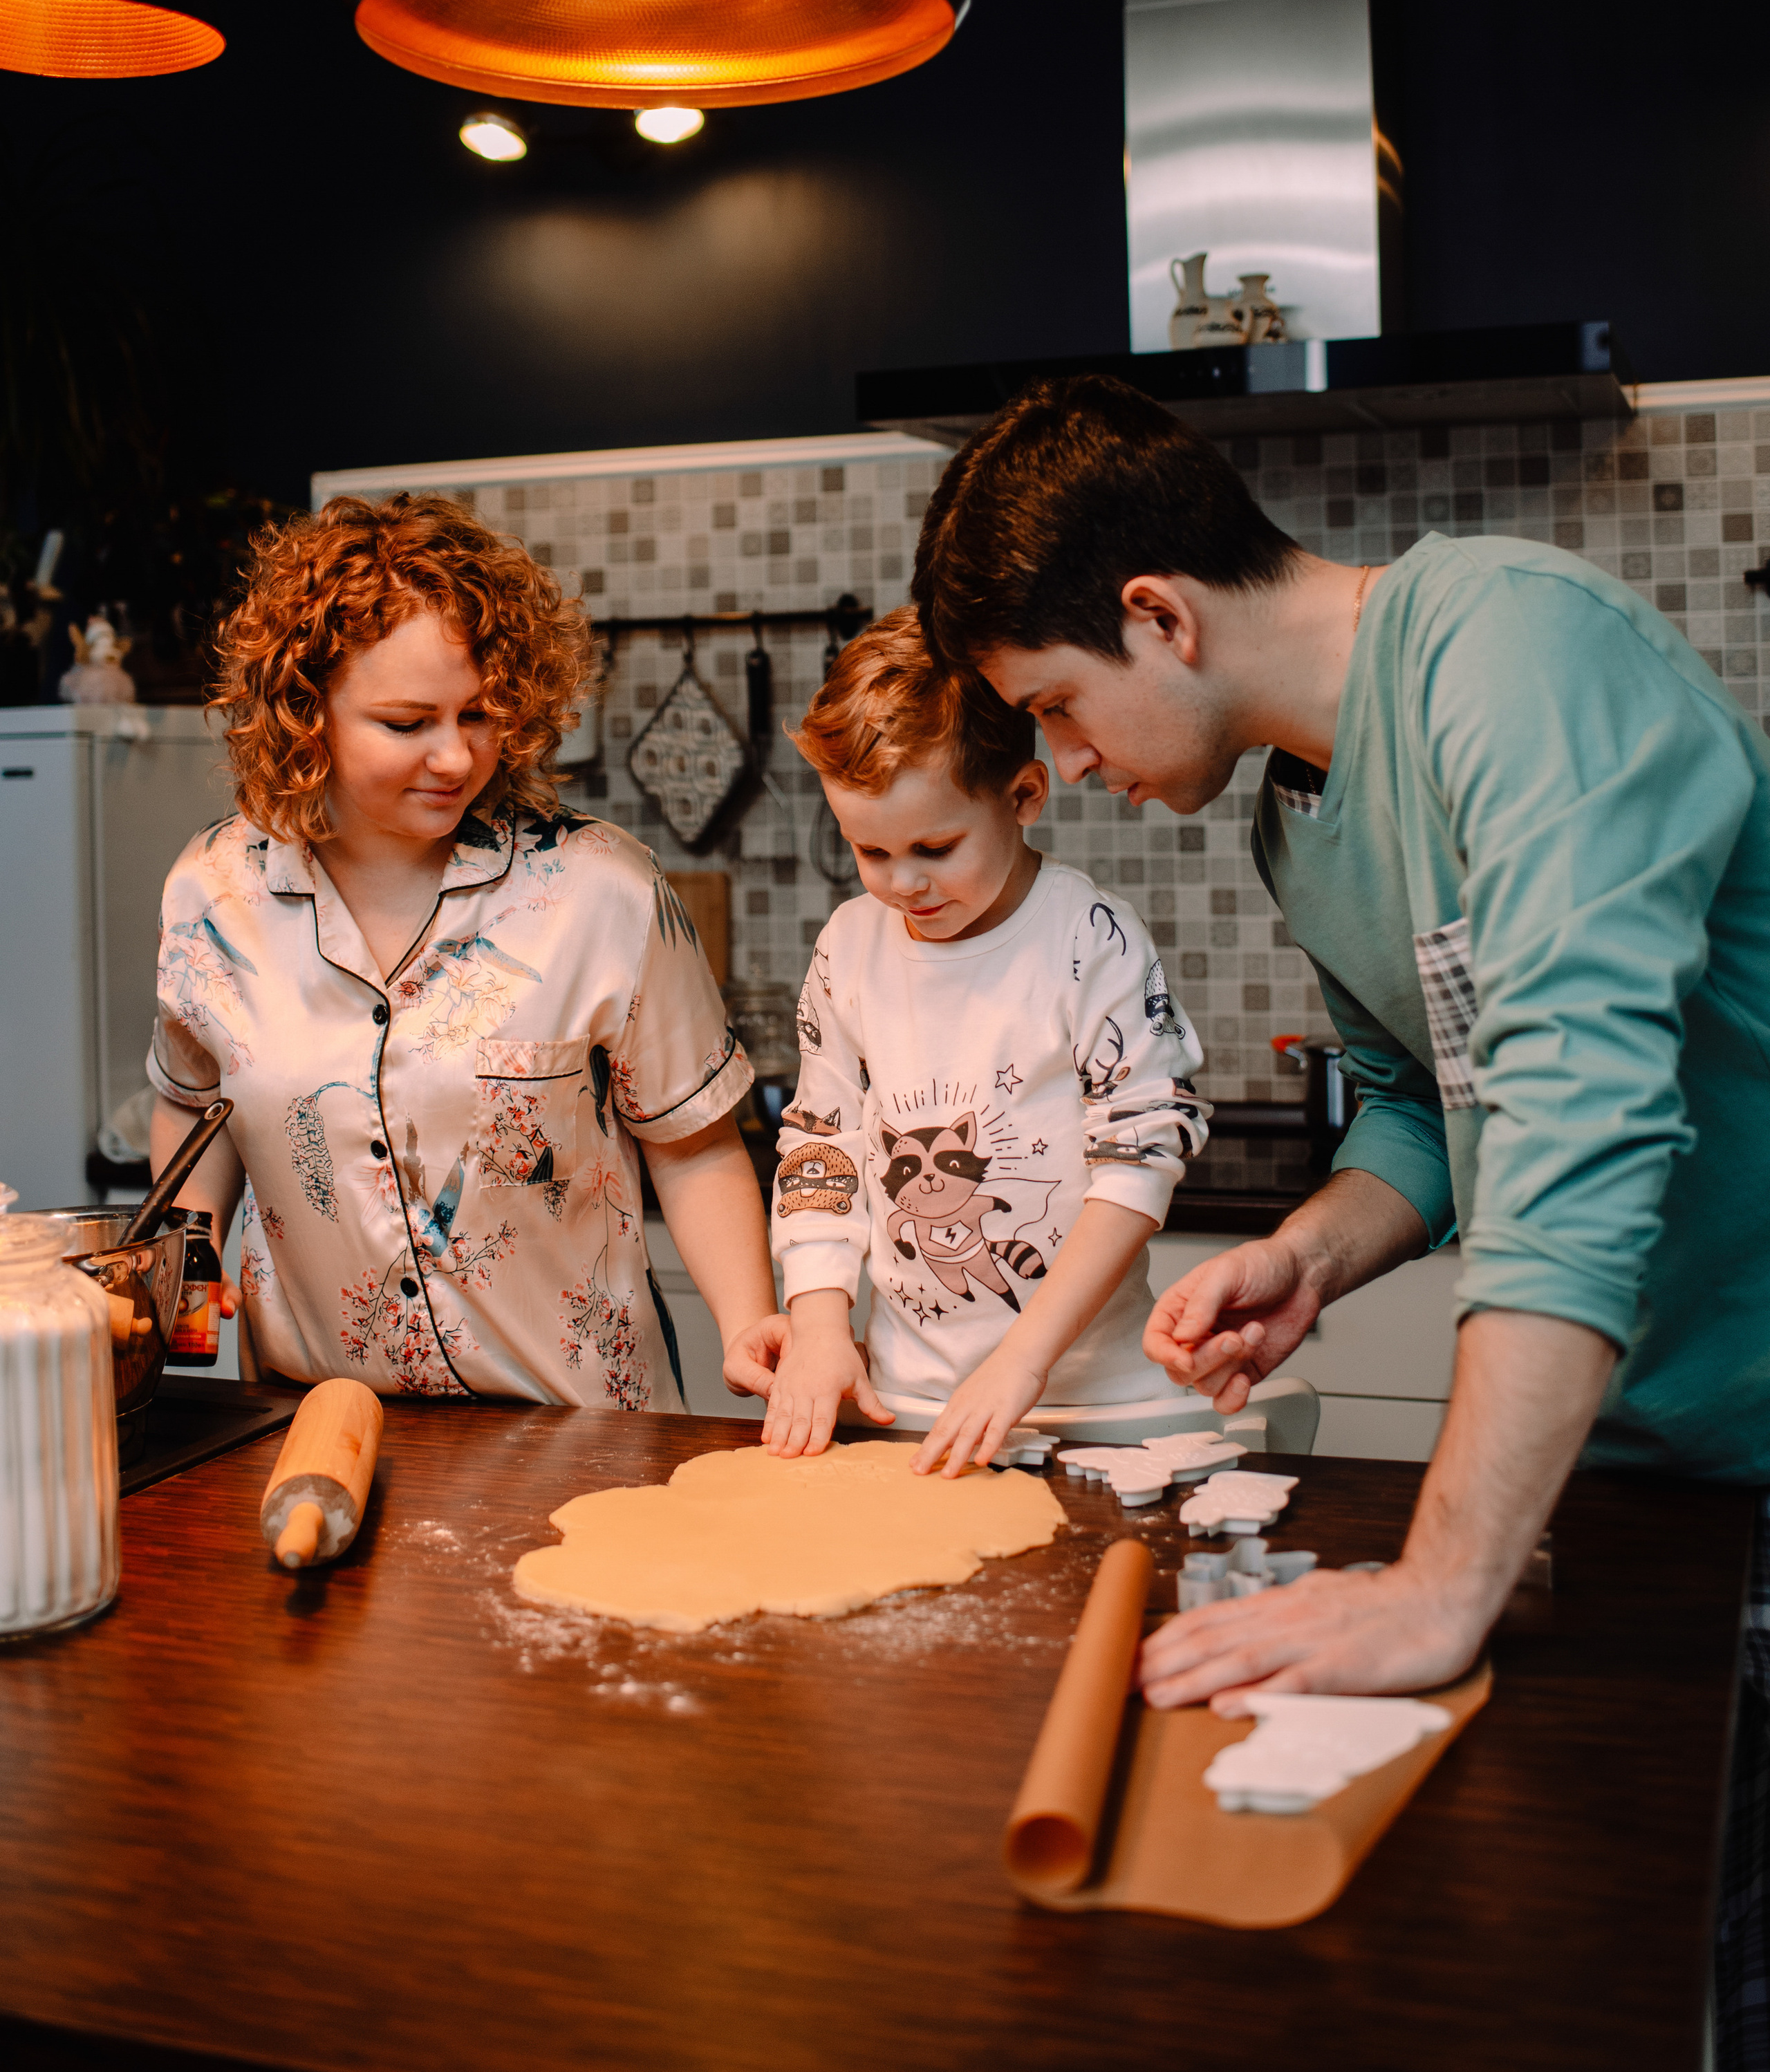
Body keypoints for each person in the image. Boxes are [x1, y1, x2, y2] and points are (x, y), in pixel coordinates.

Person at [913, 373, 1770, 2054]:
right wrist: (1308, 1248)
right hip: (1622, 1470)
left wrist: (1439, 1578)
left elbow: (1575, 1117)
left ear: (1156, 615)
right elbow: (1423, 1103)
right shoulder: (1295, 812)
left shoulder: (1510, 657)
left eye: (1060, 707)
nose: (1068, 767)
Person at [146, 493, 784, 1412]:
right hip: (313, 1422)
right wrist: (188, 1286)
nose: (454, 756)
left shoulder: (602, 891)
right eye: (407, 723)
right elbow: (197, 1112)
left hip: (577, 1434)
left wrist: (748, 1322)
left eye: (480, 715)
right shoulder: (212, 896)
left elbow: (693, 1145)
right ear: (304, 709)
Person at [758, 606, 1210, 1475]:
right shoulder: (848, 948)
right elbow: (823, 1146)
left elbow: (1140, 1154)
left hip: (1091, 1399)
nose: (903, 883)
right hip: (912, 1399)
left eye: (935, 845)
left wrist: (1023, 1360)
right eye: (870, 851)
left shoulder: (1088, 938)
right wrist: (819, 1323)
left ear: (1023, 797)